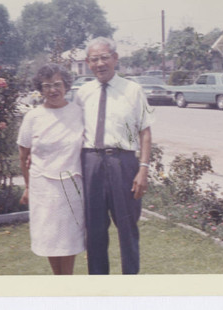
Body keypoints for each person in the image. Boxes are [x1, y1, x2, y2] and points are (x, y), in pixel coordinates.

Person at [75, 37, 153, 274]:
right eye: (94, 59)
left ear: (115, 58)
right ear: (88, 63)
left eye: (104, 57)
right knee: (95, 230)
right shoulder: (82, 93)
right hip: (91, 163)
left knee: (127, 227)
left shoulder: (133, 90)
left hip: (124, 163)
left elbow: (145, 132)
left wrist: (143, 169)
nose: (100, 64)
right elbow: (72, 131)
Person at [17, 63, 85, 275]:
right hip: (42, 187)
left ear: (66, 85)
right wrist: (27, 187)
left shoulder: (78, 113)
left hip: (71, 185)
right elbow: (23, 154)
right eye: (47, 86)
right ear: (40, 89)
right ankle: (59, 281)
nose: (53, 90)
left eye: (57, 84)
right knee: (49, 237)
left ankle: (67, 280)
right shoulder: (33, 117)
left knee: (68, 238)